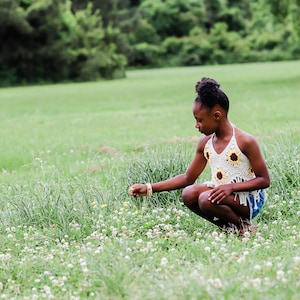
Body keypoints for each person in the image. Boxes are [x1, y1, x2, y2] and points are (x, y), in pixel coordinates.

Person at [129, 77, 270, 236]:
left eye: (199, 120)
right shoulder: (205, 144)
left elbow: (264, 180)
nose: (196, 125)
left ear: (217, 116)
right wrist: (149, 188)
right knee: (188, 193)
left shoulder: (244, 141)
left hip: (248, 200)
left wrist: (231, 187)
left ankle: (243, 226)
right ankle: (228, 226)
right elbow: (187, 178)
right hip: (220, 194)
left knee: (205, 199)